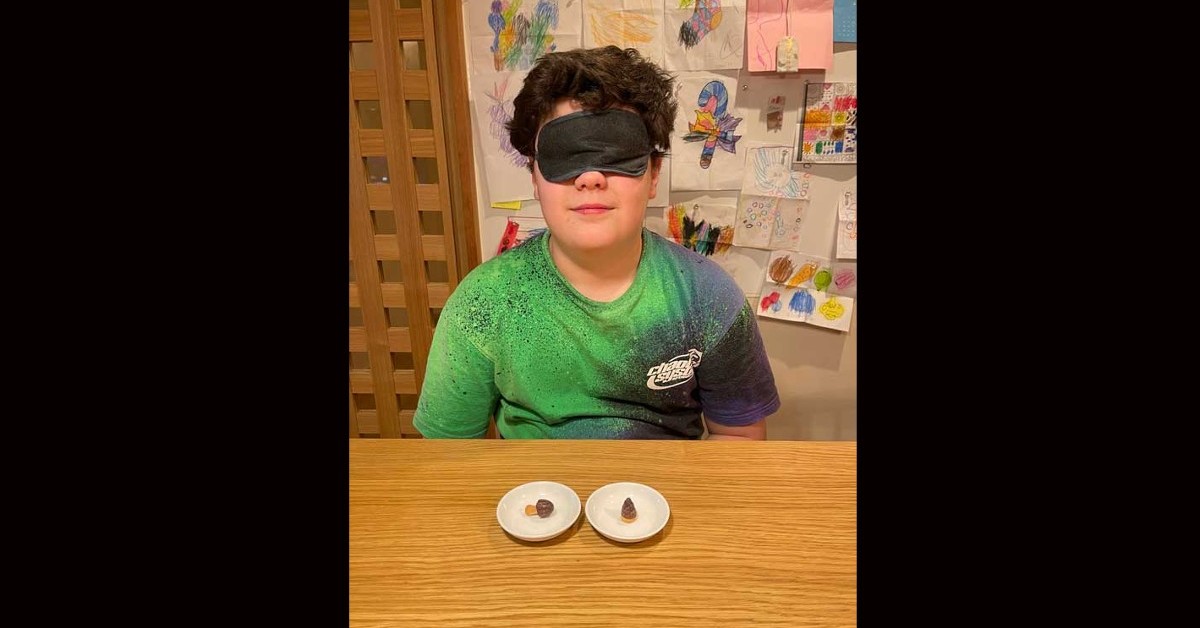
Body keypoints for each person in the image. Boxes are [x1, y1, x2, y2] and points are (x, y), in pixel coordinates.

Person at [413, 46, 779, 440]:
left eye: (616, 153)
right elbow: (449, 455)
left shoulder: (709, 297)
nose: (590, 178)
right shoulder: (483, 303)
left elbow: (738, 441)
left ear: (654, 174)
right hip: (533, 481)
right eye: (566, 154)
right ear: (534, 178)